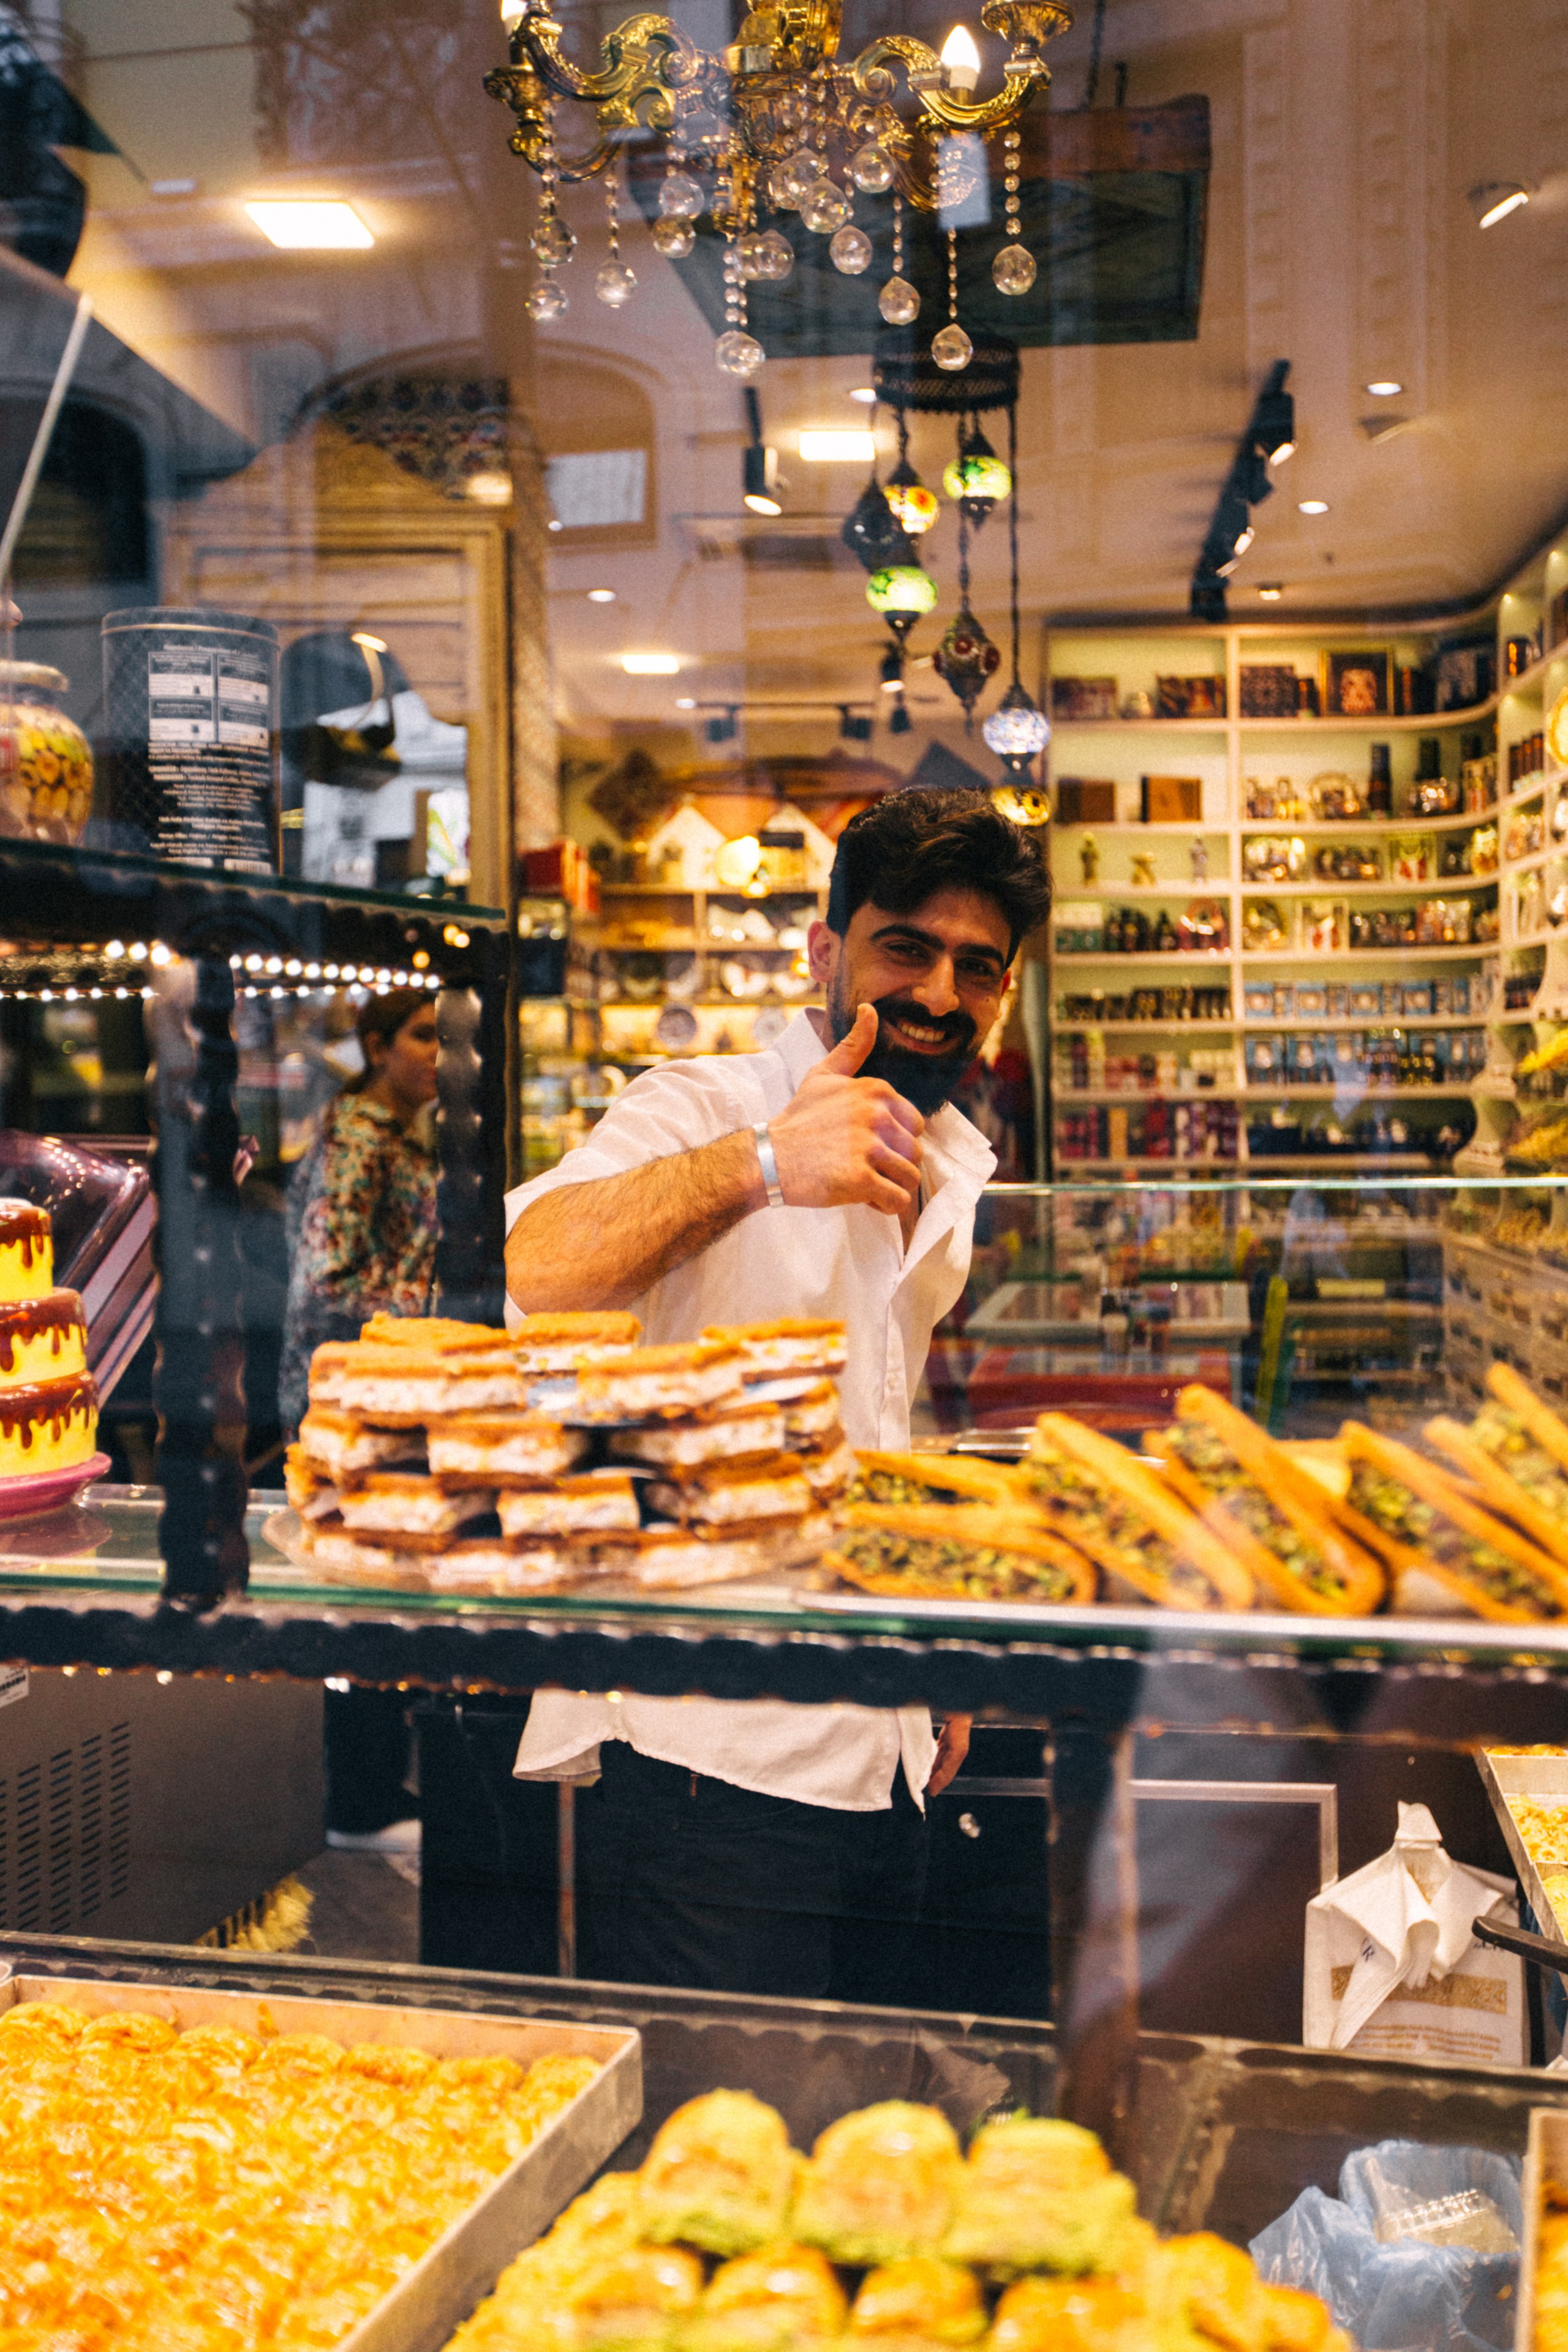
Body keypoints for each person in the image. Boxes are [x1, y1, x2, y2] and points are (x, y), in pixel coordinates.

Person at [503, 789, 1051, 2002]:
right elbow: (535, 1263)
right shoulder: (706, 1106)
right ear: (824, 950)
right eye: (902, 947)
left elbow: (868, 1435)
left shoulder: (946, 1160)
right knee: (719, 2149)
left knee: (844, 2148)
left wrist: (929, 1643)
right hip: (714, 1764)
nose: (938, 994)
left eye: (977, 966)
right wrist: (761, 1165)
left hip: (884, 1749)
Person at [280, 985, 440, 1852]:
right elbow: (327, 1280)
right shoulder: (357, 1144)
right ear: (378, 1048)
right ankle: (359, 1801)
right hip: (350, 1407)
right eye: (423, 1037)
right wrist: (435, 1308)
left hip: (382, 1401)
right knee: (359, 1597)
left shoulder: (393, 1141)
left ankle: (371, 1789)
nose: (440, 1056)